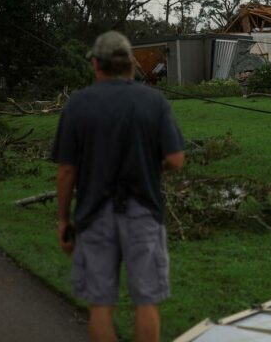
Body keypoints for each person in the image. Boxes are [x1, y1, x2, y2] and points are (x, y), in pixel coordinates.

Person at [53, 31, 185, 342]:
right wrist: (151, 166)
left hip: (94, 215)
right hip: (143, 213)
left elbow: (66, 170)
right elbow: (176, 159)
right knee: (146, 300)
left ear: (96, 64)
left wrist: (63, 220)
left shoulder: (78, 105)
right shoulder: (154, 101)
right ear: (131, 64)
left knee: (101, 303)